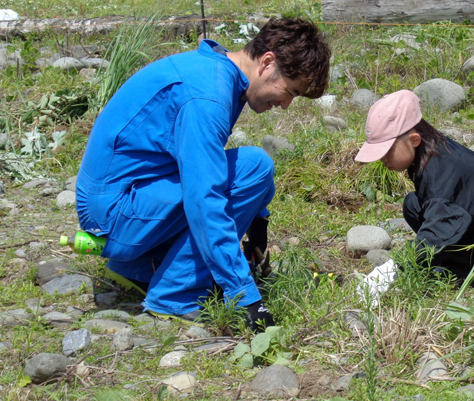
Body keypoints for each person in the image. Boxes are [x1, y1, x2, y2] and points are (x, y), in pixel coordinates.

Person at [76, 18, 330, 329]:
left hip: (124, 200)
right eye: (290, 91)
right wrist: (245, 297)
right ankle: (176, 294)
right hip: (116, 215)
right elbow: (204, 200)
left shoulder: (216, 72)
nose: (287, 105)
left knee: (251, 165)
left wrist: (257, 222)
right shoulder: (207, 96)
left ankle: (140, 269)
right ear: (267, 62)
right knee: (254, 167)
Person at [355, 90, 474, 280]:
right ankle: (452, 261)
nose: (382, 158)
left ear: (414, 140)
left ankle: (467, 270)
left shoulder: (442, 173)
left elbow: (439, 228)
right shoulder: (432, 151)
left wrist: (395, 269)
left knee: (432, 227)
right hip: (473, 221)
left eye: (387, 151)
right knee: (413, 204)